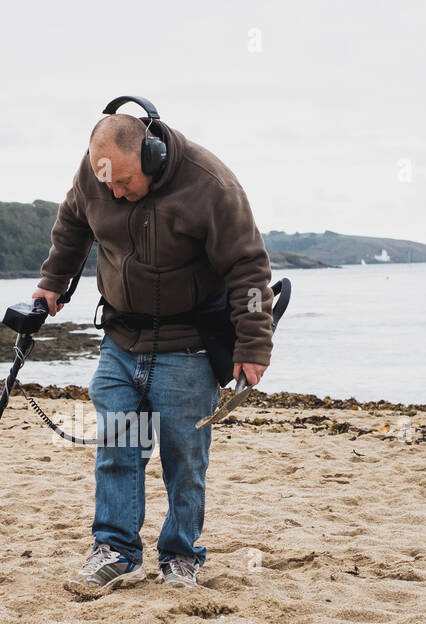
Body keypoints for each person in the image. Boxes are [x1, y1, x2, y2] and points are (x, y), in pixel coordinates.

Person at [33, 99, 274, 591]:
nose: (116, 194)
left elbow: (248, 268)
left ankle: (181, 556)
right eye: (107, 184)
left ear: (152, 153)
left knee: (184, 457)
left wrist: (253, 343)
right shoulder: (95, 174)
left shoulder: (211, 184)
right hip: (121, 338)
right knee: (119, 447)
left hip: (188, 345)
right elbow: (73, 225)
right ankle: (116, 551)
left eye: (124, 182)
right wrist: (53, 282)